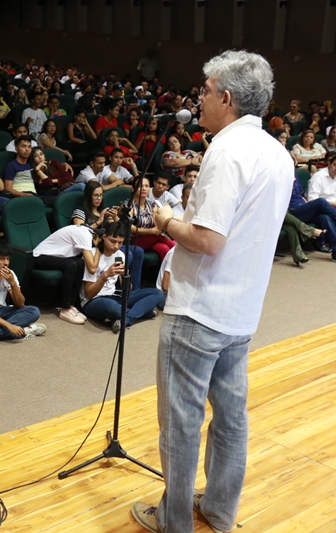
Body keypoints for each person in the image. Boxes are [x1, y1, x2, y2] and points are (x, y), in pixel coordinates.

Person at [131, 51, 293, 533]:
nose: (198, 98)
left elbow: (207, 240)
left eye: (204, 90)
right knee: (230, 418)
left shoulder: (226, 151)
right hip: (241, 312)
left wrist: (164, 220)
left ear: (225, 98)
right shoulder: (278, 153)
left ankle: (174, 521)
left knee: (180, 424)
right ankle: (220, 510)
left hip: (199, 309)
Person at [80, 220, 163, 333]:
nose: (116, 246)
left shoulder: (120, 255)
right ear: (104, 237)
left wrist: (125, 277)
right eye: (113, 241)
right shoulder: (91, 255)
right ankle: (140, 312)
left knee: (157, 293)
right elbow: (88, 294)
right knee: (113, 307)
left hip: (115, 296)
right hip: (94, 301)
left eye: (120, 243)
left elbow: (128, 289)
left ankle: (127, 318)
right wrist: (105, 276)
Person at [32, 224, 99, 325]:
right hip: (39, 257)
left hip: (56, 256)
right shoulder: (84, 235)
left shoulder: (87, 232)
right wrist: (98, 247)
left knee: (80, 263)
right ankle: (65, 308)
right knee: (70, 265)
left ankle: (71, 305)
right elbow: (92, 268)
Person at [131, 176, 176, 261]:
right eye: (140, 186)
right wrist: (151, 231)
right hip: (135, 240)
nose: (144, 188)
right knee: (160, 236)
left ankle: (168, 273)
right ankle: (179, 250)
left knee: (164, 249)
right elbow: (131, 229)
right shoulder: (128, 206)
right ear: (133, 188)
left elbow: (157, 224)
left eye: (146, 186)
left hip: (152, 239)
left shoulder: (152, 205)